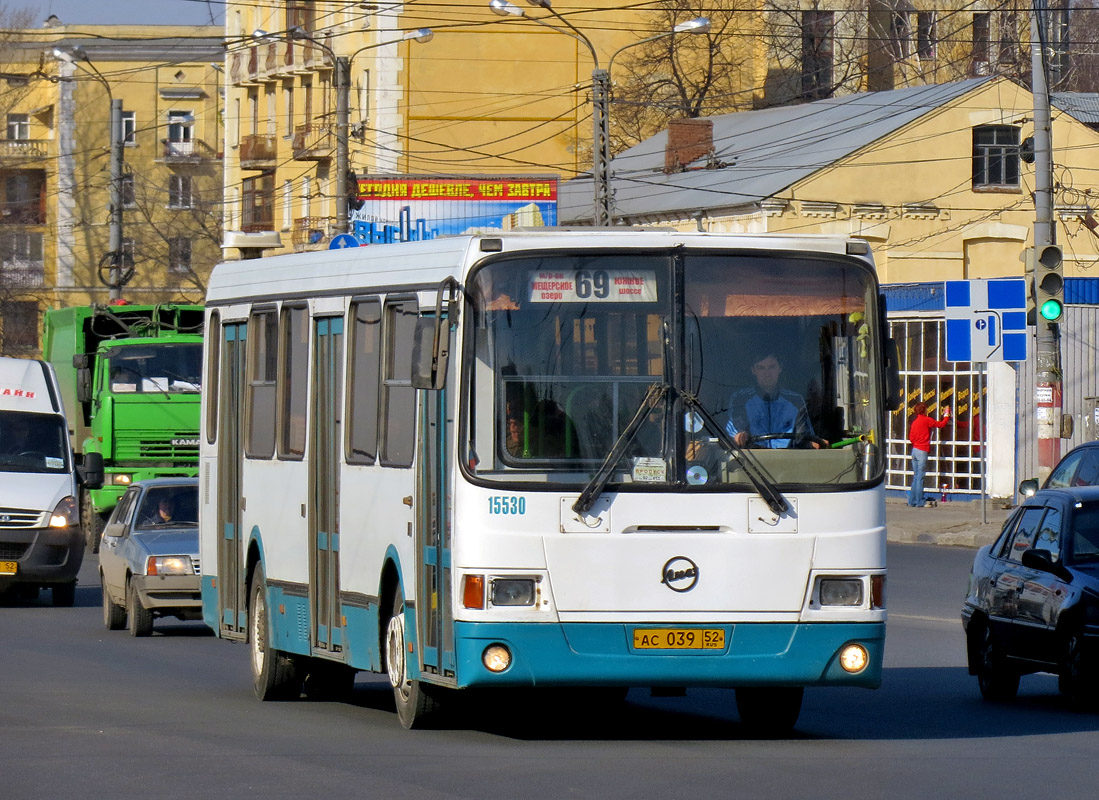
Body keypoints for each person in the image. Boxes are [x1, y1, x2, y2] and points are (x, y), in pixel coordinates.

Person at [725, 351, 825, 449]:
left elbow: (803, 439)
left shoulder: (795, 401)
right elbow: (735, 431)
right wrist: (740, 436)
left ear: (780, 369)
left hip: (789, 460)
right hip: (751, 461)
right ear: (753, 371)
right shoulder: (741, 399)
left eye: (771, 367)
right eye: (761, 368)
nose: (767, 373)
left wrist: (813, 444)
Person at [907, 401, 951, 508]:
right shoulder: (926, 420)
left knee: (916, 477)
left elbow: (911, 438)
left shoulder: (915, 422)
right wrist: (946, 416)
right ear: (924, 410)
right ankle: (919, 501)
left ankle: (912, 501)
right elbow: (941, 425)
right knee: (920, 477)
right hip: (922, 450)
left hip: (914, 450)